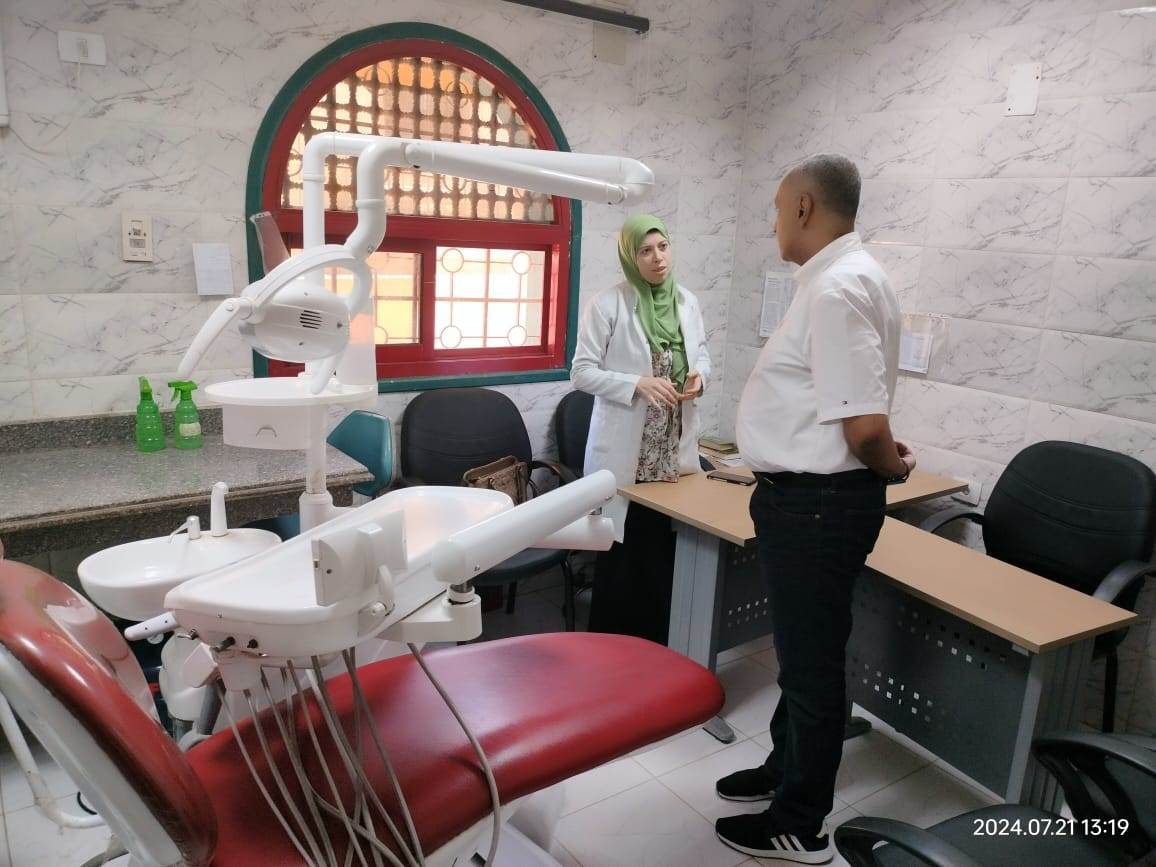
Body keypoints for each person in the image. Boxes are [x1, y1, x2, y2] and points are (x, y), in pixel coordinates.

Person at [715, 155, 914, 864]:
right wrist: (880, 452)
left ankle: (800, 823)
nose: (774, 221)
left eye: (777, 208)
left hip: (817, 506)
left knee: (811, 665)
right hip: (808, 500)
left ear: (803, 206)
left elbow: (864, 427)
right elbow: (849, 406)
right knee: (802, 654)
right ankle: (783, 769)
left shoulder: (838, 286)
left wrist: (889, 462)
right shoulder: (841, 279)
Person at [570, 214, 711, 643]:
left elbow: (702, 353)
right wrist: (635, 383)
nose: (657, 258)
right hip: (628, 458)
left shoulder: (687, 302)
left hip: (672, 454)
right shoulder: (608, 304)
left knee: (662, 555)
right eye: (645, 251)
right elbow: (581, 372)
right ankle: (611, 650)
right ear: (631, 258)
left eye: (662, 247)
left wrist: (701, 377)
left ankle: (657, 646)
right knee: (624, 558)